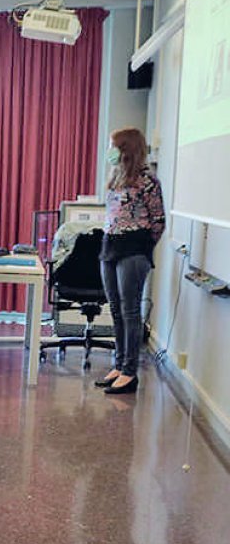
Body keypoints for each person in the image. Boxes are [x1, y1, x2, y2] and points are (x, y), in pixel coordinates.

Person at [95, 128, 165, 395]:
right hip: (110, 246)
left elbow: (158, 221)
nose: (110, 151)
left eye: (114, 146)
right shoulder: (116, 177)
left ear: (127, 149)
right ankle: (119, 364)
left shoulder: (148, 180)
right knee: (115, 310)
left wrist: (143, 247)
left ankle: (129, 371)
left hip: (134, 250)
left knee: (130, 311)